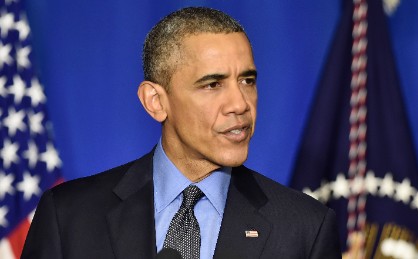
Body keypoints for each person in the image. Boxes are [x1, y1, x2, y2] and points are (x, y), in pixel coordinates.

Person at [21, 7, 341, 259]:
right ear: (156, 102)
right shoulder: (69, 216)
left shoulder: (305, 228)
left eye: (247, 80)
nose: (240, 104)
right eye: (213, 84)